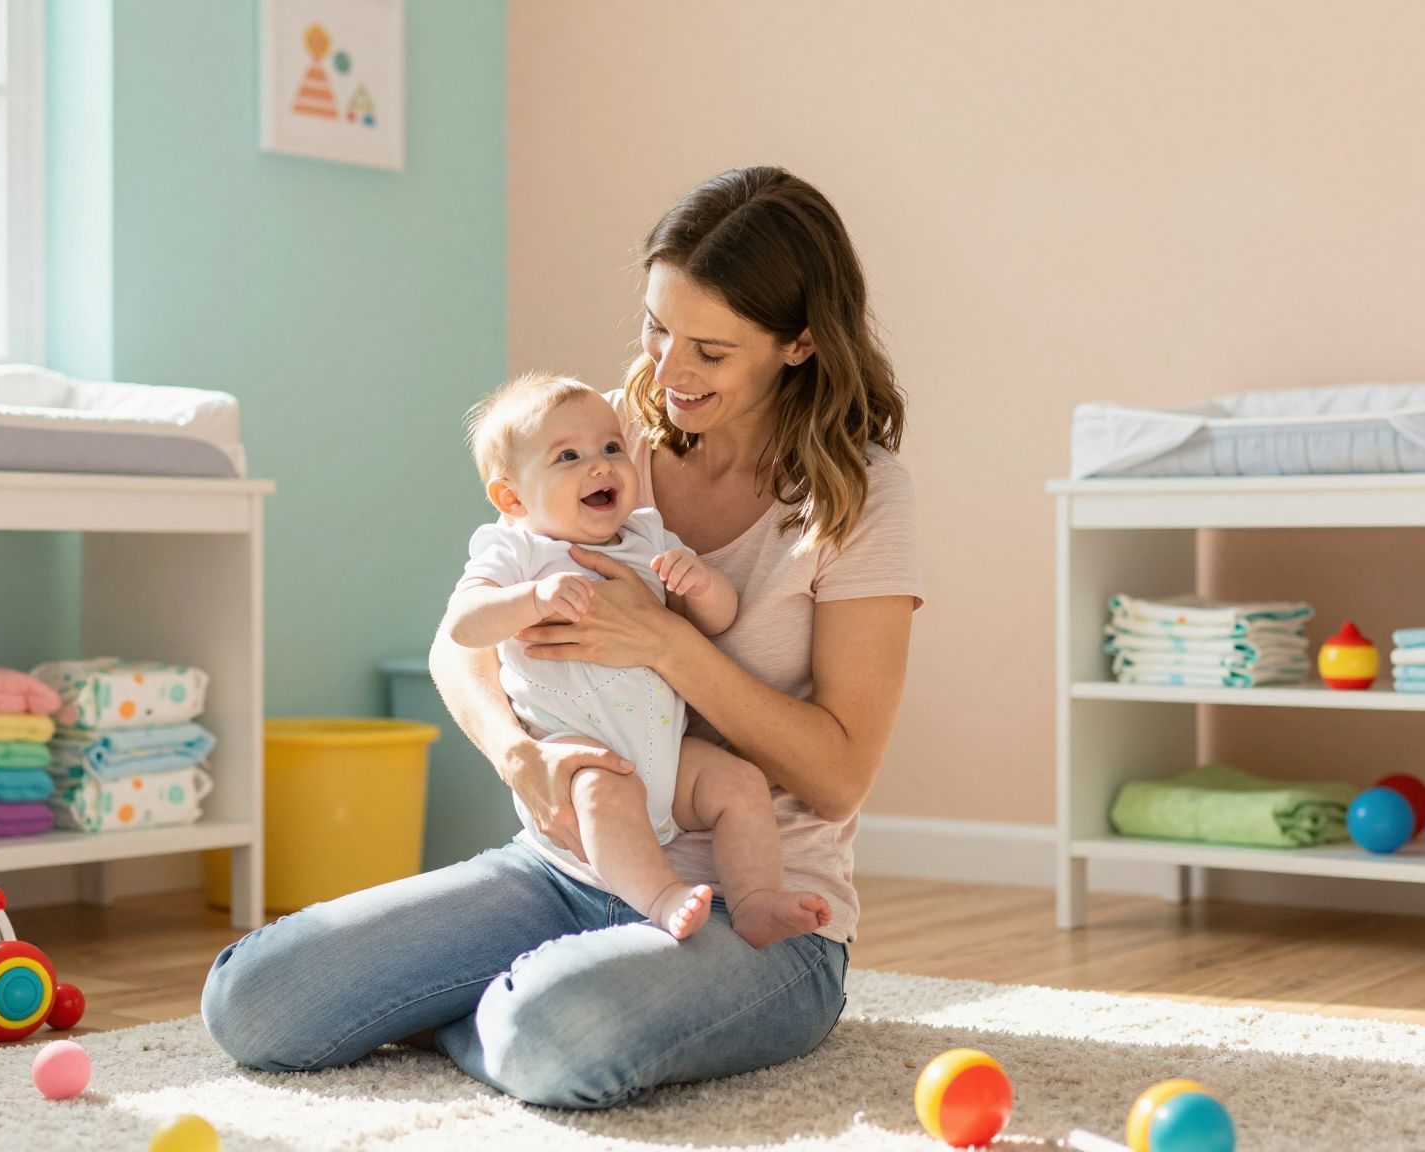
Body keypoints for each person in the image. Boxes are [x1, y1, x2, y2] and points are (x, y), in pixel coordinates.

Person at [200, 166, 920, 1109]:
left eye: (709, 348)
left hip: (755, 914)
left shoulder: (858, 495)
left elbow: (839, 774)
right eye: (658, 329)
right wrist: (517, 756)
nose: (667, 374)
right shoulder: (599, 449)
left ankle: (497, 1006)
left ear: (801, 344)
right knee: (254, 1000)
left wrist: (664, 644)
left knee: (551, 1032)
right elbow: (459, 643)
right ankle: (507, 995)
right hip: (566, 861)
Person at [448, 371, 831, 947]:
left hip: (667, 756)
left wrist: (699, 583)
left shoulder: (646, 536)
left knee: (740, 785)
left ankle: (755, 901)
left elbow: (720, 619)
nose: (600, 466)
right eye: (568, 457)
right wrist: (530, 599)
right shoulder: (518, 550)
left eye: (610, 448)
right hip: (583, 763)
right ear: (512, 498)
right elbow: (462, 626)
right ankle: (661, 896)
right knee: (606, 795)